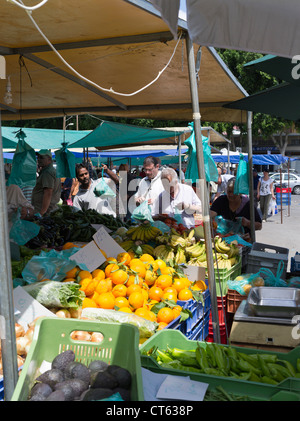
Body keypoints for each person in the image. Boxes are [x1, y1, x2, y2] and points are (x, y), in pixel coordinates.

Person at [31, 149, 61, 216]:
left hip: (46, 212)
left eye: (41, 158)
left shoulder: (47, 172)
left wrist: (42, 213)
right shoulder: (49, 171)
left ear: (49, 159)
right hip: (49, 211)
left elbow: (48, 193)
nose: (38, 159)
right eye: (38, 157)